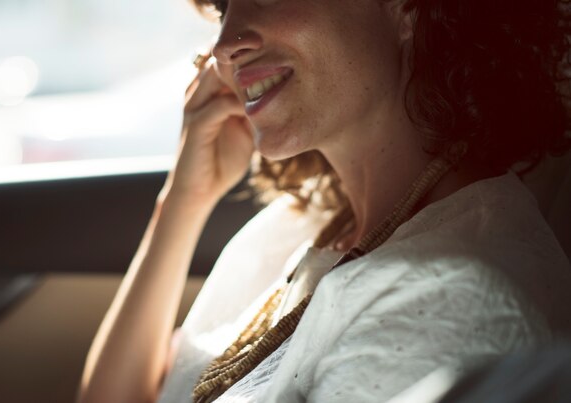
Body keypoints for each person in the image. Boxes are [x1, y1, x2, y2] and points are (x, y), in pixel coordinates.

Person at [77, 0, 571, 402]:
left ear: (408, 9)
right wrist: (182, 202)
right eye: (225, 5)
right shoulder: (296, 227)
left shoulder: (452, 299)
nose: (227, 44)